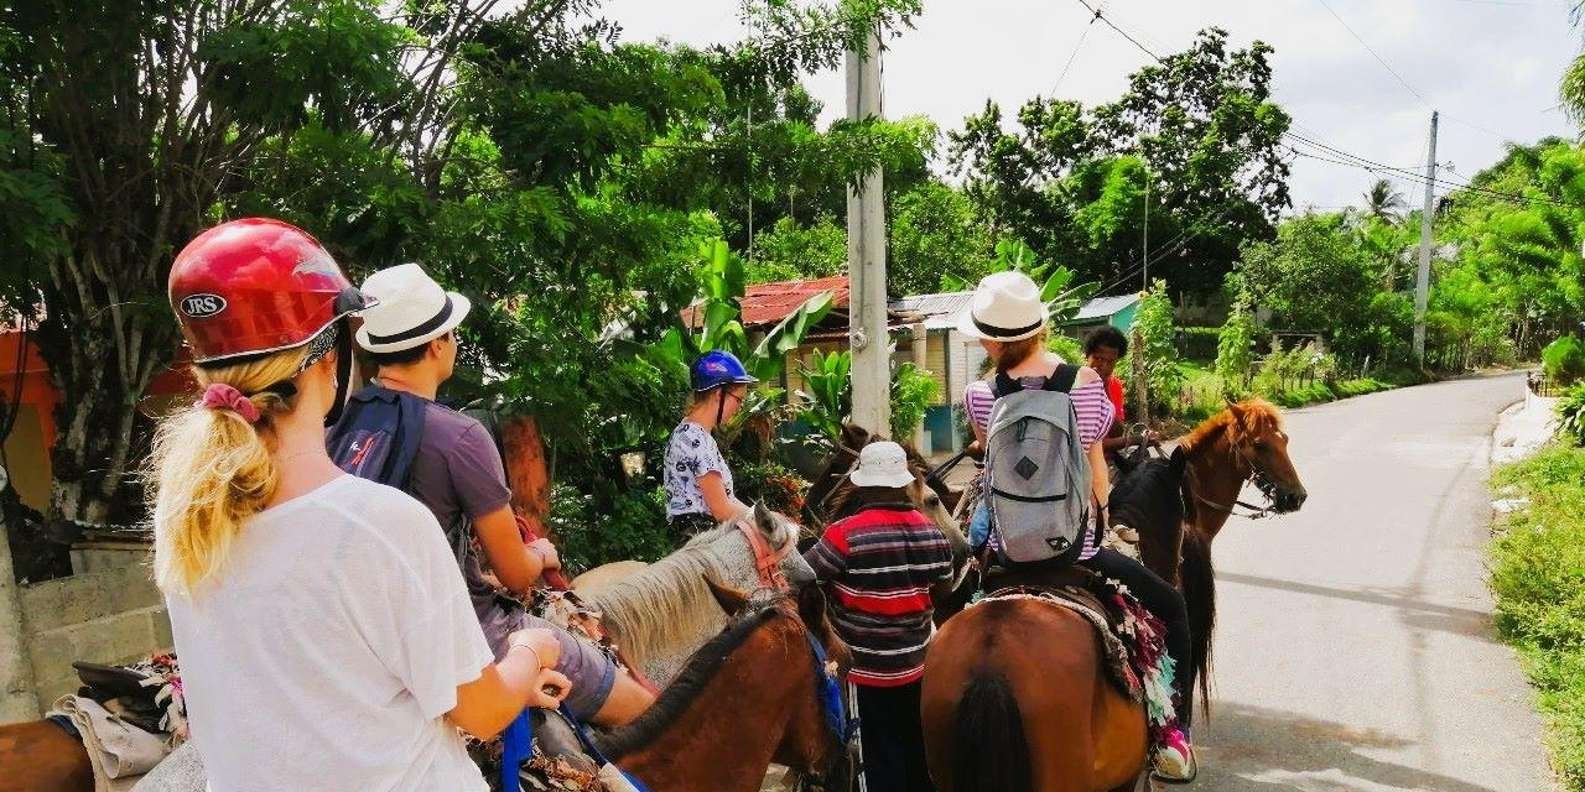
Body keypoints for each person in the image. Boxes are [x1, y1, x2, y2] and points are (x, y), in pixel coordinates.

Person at [153, 219, 567, 791]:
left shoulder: (186, 524)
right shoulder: (382, 525)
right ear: (331, 359)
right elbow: (482, 711)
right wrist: (528, 649)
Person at [347, 263, 654, 727]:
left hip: (366, 628)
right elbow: (515, 575)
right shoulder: (459, 437)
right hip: (465, 633)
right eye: (450, 334)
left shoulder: (344, 422)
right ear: (436, 345)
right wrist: (541, 552)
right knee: (646, 713)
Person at [957, 271, 1197, 782]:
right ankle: (1173, 738)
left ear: (991, 338)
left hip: (1003, 555)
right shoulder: (1088, 387)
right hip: (1078, 551)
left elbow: (990, 459)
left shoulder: (979, 395)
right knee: (1173, 609)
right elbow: (1094, 464)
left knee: (952, 618)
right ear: (1039, 328)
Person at [804, 441, 953, 792]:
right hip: (917, 665)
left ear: (861, 485)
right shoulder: (932, 532)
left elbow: (803, 576)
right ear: (905, 483)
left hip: (864, 670)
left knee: (874, 758)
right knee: (915, 749)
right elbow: (943, 587)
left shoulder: (843, 534)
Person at [664, 350, 757, 534]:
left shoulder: (698, 435)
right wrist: (766, 522)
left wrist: (760, 516)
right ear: (718, 393)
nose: (739, 408)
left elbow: (729, 499)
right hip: (700, 542)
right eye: (739, 400)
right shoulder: (694, 438)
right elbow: (722, 510)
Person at [1084, 325, 1159, 466]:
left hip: (1109, 460)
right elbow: (1092, 446)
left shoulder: (1114, 385)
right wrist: (1137, 439)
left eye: (1110, 362)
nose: (1104, 366)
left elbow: (1116, 432)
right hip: (1084, 464)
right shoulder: (1075, 388)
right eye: (1099, 359)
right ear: (1087, 356)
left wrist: (1104, 391)